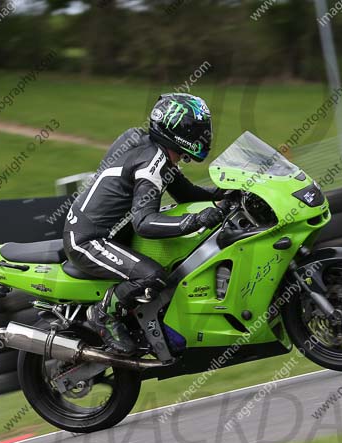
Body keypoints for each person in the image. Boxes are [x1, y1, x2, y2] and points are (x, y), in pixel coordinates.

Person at [63, 93, 224, 357]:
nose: (205, 134)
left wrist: (227, 193)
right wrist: (195, 221)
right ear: (179, 129)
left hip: (108, 234)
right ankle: (102, 315)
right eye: (199, 128)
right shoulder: (151, 163)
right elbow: (144, 223)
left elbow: (187, 193)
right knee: (153, 275)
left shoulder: (153, 149)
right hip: (88, 240)